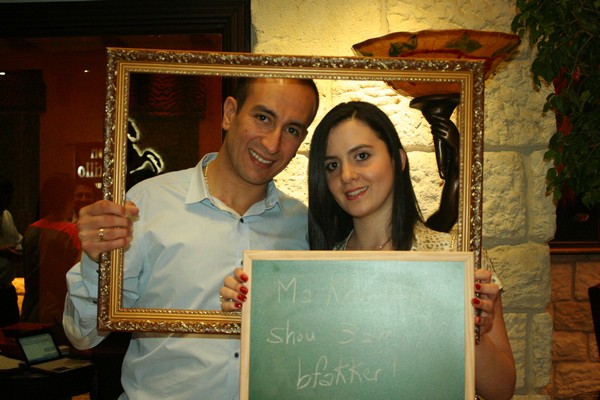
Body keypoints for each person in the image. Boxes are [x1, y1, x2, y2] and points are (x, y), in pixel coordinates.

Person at [221, 101, 516, 400]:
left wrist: (471, 330)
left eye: (362, 156)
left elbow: (501, 391)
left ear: (398, 159)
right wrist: (253, 308)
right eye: (332, 165)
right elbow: (294, 375)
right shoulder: (315, 274)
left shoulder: (455, 258)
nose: (347, 175)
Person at [63, 77, 320, 399]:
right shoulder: (146, 205)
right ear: (229, 114)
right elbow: (82, 334)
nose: (272, 144)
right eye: (263, 118)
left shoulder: (302, 227)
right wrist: (96, 259)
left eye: (292, 129)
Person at [21, 174, 81, 345]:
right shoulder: (72, 233)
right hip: (57, 315)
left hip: (31, 311)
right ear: (69, 198)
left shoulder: (31, 229)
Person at [0, 175, 22, 327]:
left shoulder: (6, 215)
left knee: (13, 332)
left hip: (6, 290)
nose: (8, 201)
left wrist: (21, 250)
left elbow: (17, 240)